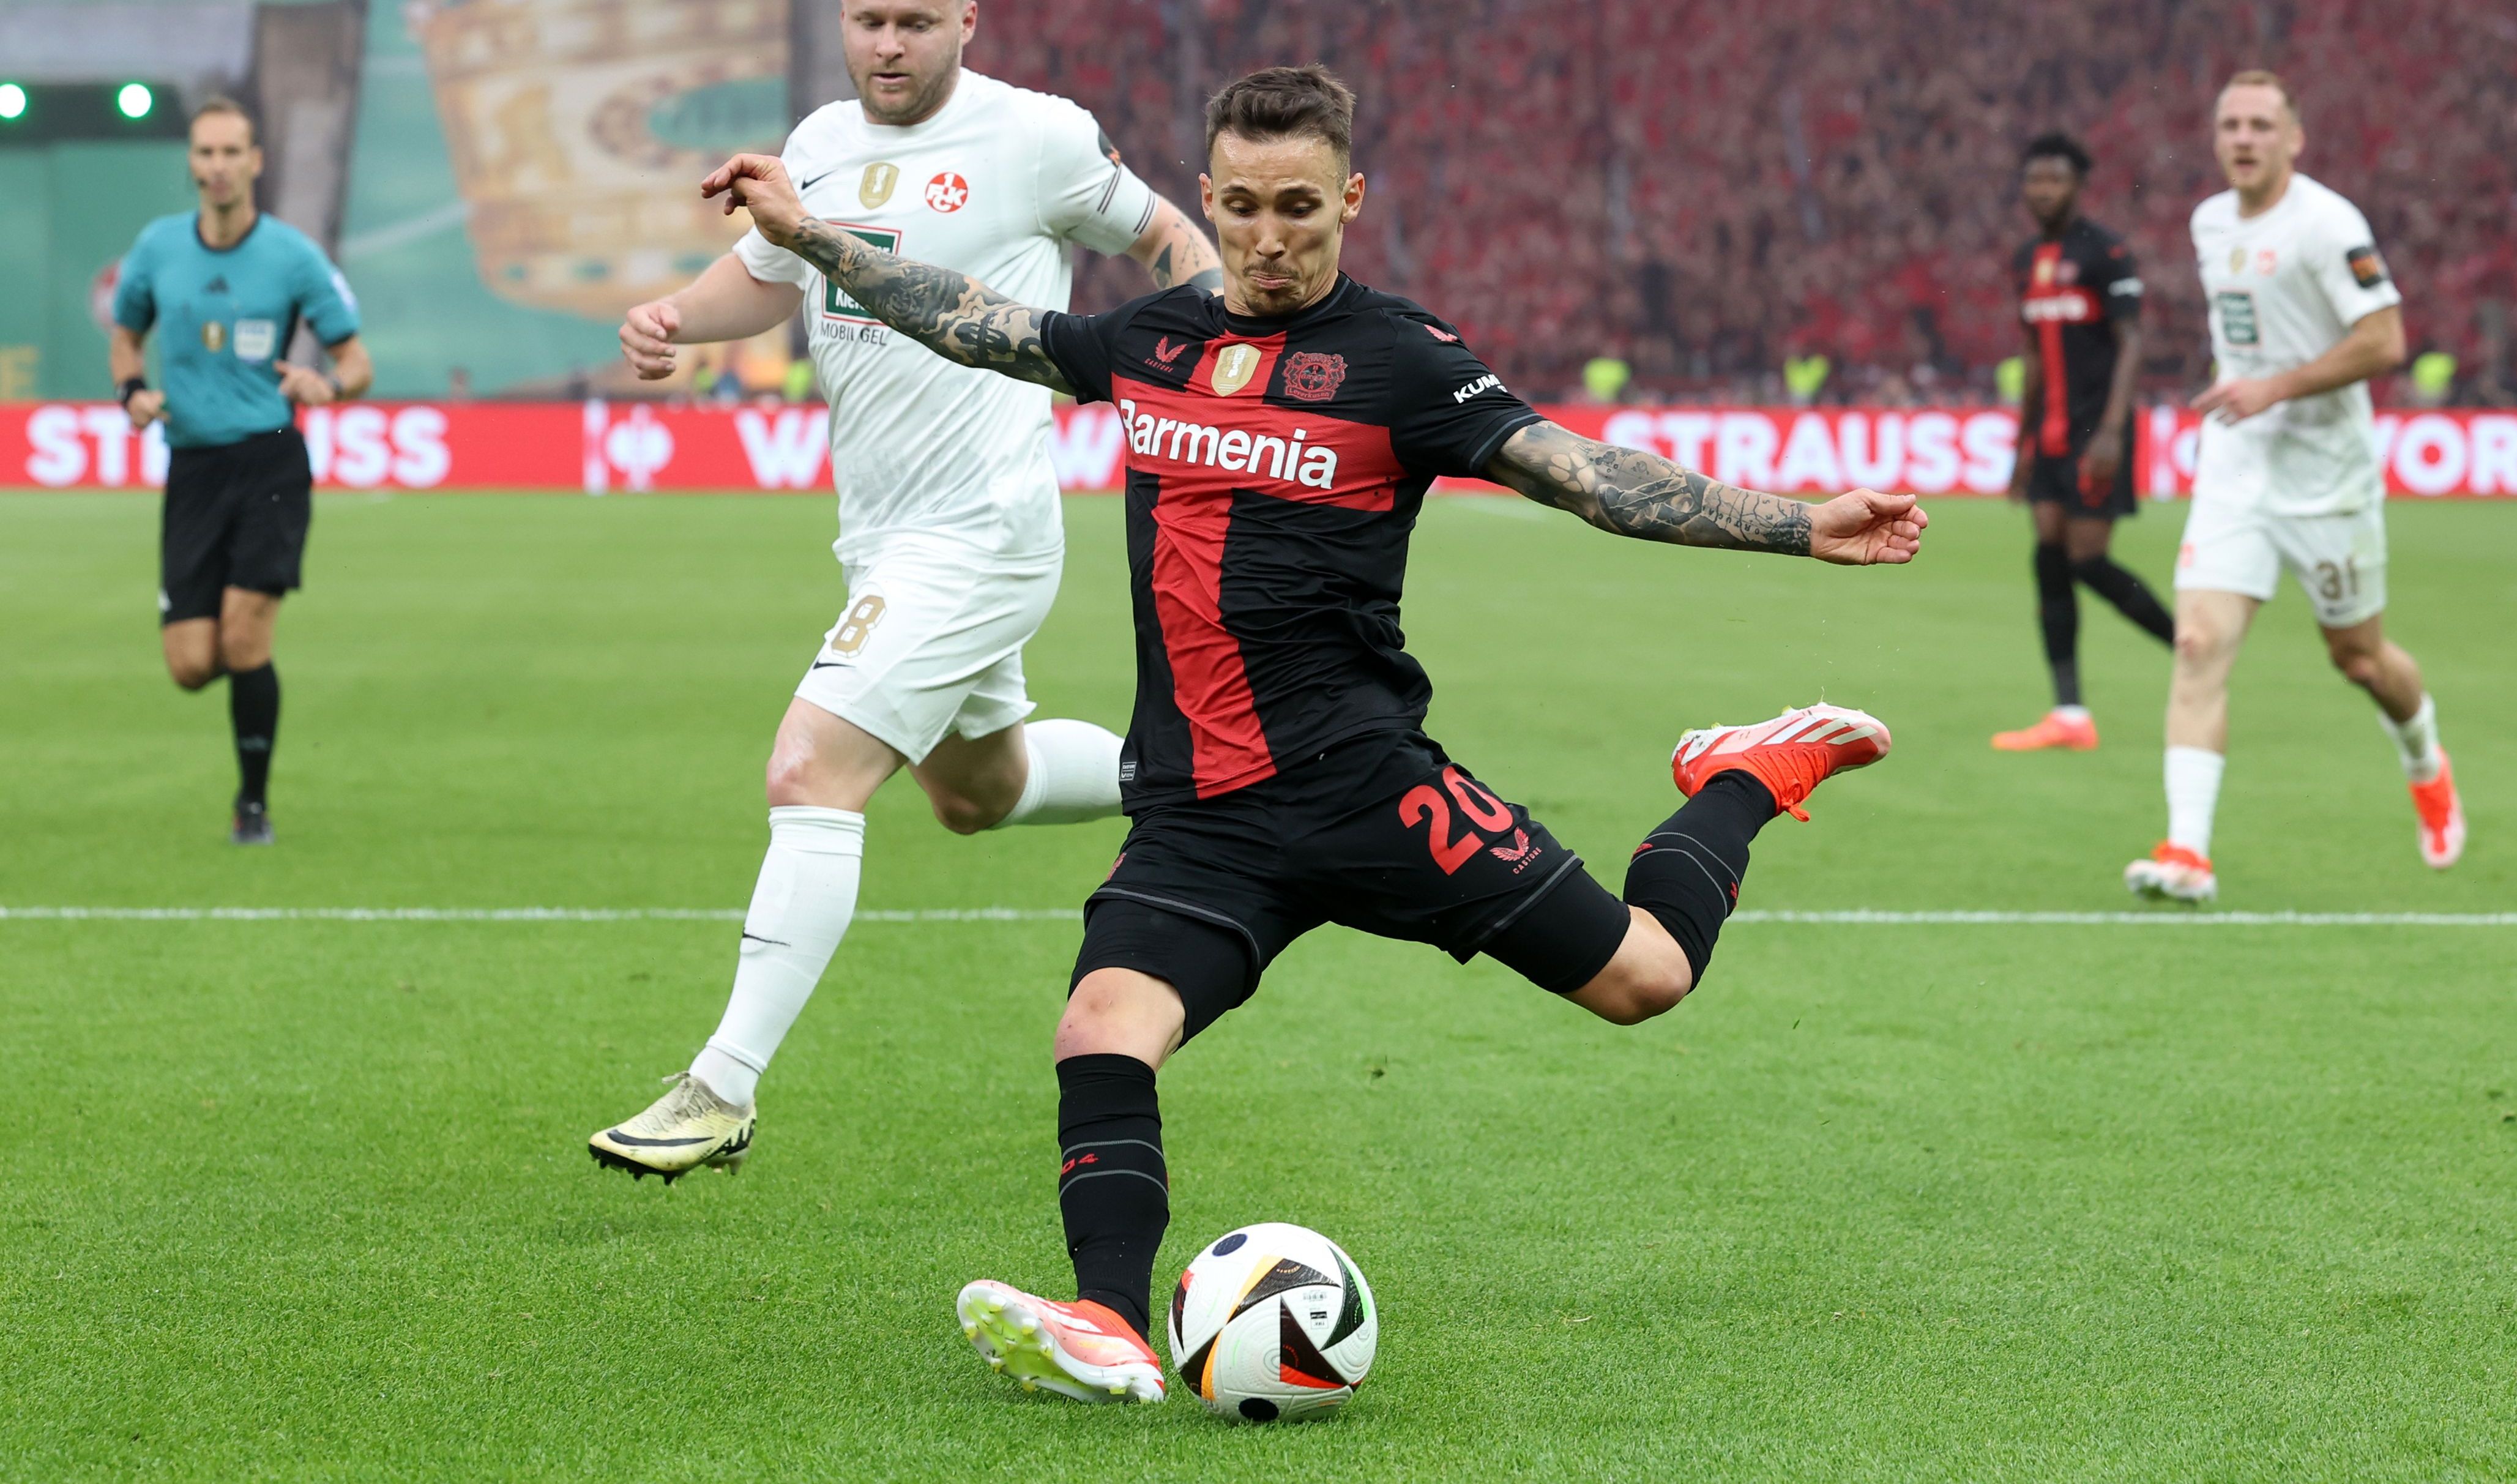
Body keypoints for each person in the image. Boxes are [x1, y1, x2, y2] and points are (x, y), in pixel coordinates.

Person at [701, 62, 1928, 1403]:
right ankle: (1106, 1319)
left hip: (1365, 788)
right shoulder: (1151, 341)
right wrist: (812, 237)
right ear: (1209, 198)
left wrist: (1796, 522)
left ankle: (1743, 774)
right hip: (1199, 813)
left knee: (1645, 980)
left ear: (1347, 198)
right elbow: (975, 319)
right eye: (1239, 206)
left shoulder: (1402, 360)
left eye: (1298, 207)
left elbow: (1587, 479)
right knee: (1100, 1026)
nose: (1268, 237)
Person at [587, 0, 1225, 1181]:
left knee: (810, 768)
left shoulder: (1035, 137)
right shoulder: (822, 141)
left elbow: (1160, 235)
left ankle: (720, 1086)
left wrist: (1223, 357)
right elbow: (769, 277)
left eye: (916, 22)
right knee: (981, 790)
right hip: (883, 539)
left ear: (967, 22)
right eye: (870, 19)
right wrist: (677, 317)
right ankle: (1196, 778)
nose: (889, 44)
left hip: (980, 533)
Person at [2127, 72, 2463, 904]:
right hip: (2238, 467)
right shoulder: (2209, 221)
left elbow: (2386, 341)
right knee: (2199, 644)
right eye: (2230, 125)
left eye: (2260, 125)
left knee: (2358, 658)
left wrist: (2273, 387)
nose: (2243, 138)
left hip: (2328, 478)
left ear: (2293, 138)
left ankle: (2426, 762)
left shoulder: (2327, 223)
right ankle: (2188, 854)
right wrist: (2246, 388)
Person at [110, 96, 375, 846]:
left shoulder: (293, 256)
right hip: (191, 466)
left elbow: (357, 360)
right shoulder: (157, 248)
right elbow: (126, 337)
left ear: (256, 160)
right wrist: (132, 392)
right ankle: (248, 683)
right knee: (194, 663)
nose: (218, 167)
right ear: (191, 163)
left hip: (270, 462)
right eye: (205, 153)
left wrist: (329, 385)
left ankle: (251, 805)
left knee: (246, 637)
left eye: (232, 152)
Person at [1993, 133, 2175, 752]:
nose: (2042, 190)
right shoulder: (2025, 258)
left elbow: (2131, 343)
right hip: (2048, 437)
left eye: (2055, 179)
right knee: (2047, 557)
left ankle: (2187, 648)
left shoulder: (2105, 252)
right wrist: (2021, 444)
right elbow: (2030, 353)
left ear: (2077, 186)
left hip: (2098, 431)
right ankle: (2069, 712)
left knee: (2087, 560)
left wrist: (2116, 433)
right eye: (2034, 180)